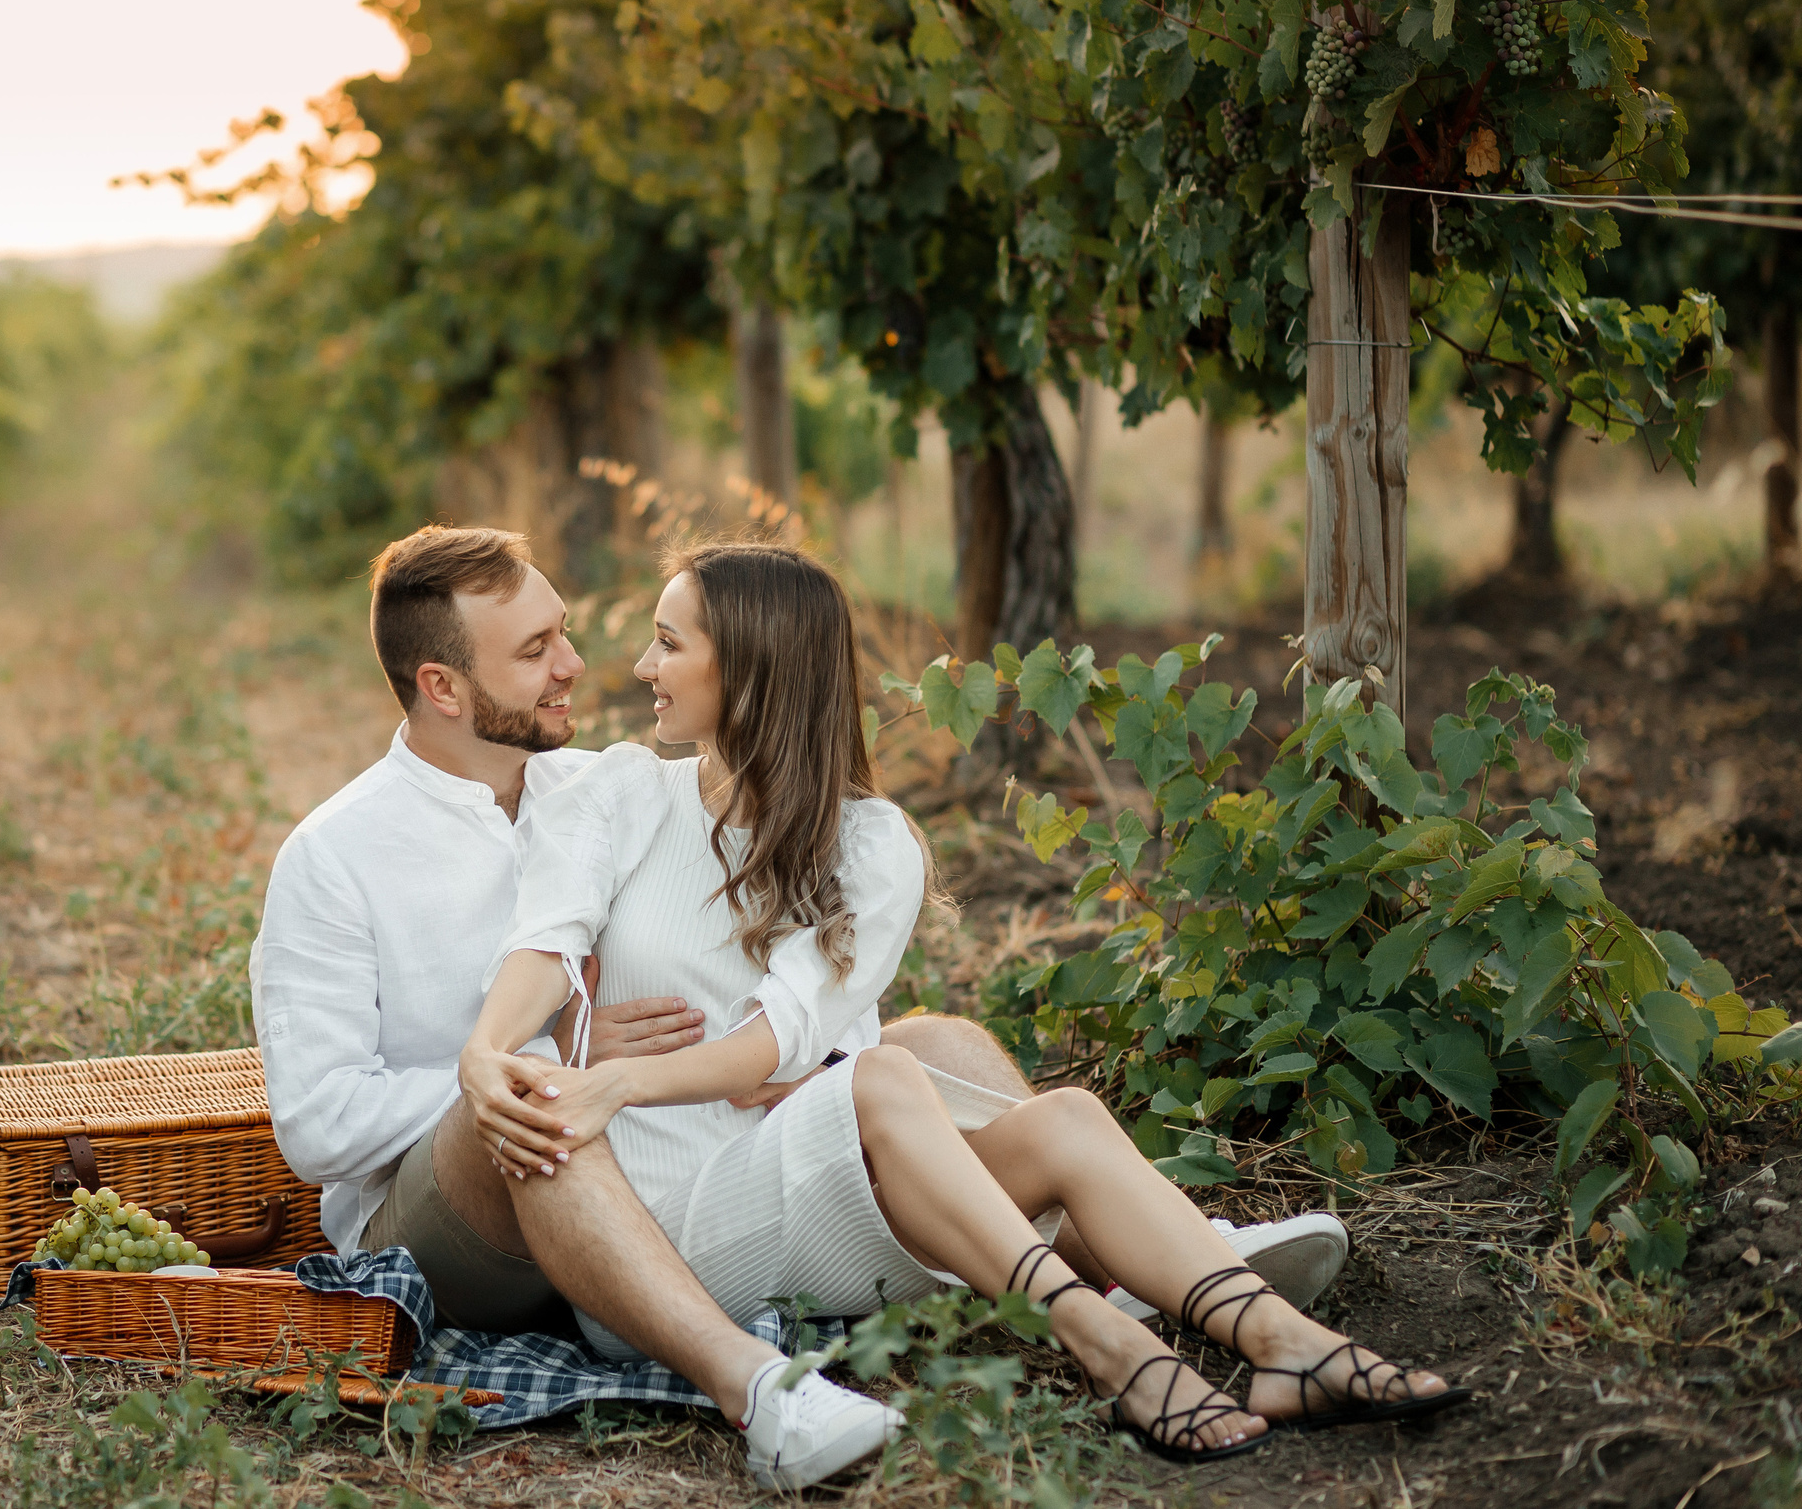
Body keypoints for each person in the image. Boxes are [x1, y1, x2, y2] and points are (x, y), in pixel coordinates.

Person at [253, 526, 1348, 1487]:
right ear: (444, 687)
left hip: (653, 1140)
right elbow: (317, 1126)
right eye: (535, 650)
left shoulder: (591, 783)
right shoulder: (336, 858)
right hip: (452, 1213)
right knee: (536, 1104)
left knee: (936, 1043)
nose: (577, 665)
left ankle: (1122, 1254)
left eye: (565, 633)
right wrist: (542, 1056)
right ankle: (759, 1389)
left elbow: (765, 994)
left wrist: (800, 1060)